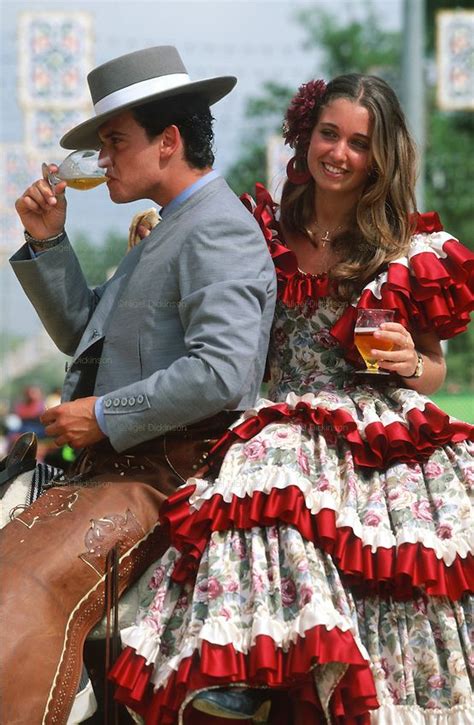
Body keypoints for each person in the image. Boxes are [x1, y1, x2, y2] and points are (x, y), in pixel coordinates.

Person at [109, 74, 474, 724]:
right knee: (266, 465)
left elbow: (436, 370)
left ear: (380, 156)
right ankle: (243, 664)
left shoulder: (405, 249)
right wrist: (161, 235)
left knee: (413, 570)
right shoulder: (256, 231)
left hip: (377, 431)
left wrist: (409, 358)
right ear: (306, 138)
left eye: (359, 143)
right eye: (328, 134)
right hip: (286, 415)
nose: (338, 152)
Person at [3, 45, 276, 724]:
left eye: (115, 141)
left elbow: (222, 370)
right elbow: (85, 333)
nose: (104, 160)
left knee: (18, 589)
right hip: (114, 465)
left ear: (169, 142)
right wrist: (47, 242)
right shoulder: (169, 228)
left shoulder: (216, 228)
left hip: (164, 470)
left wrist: (104, 414)